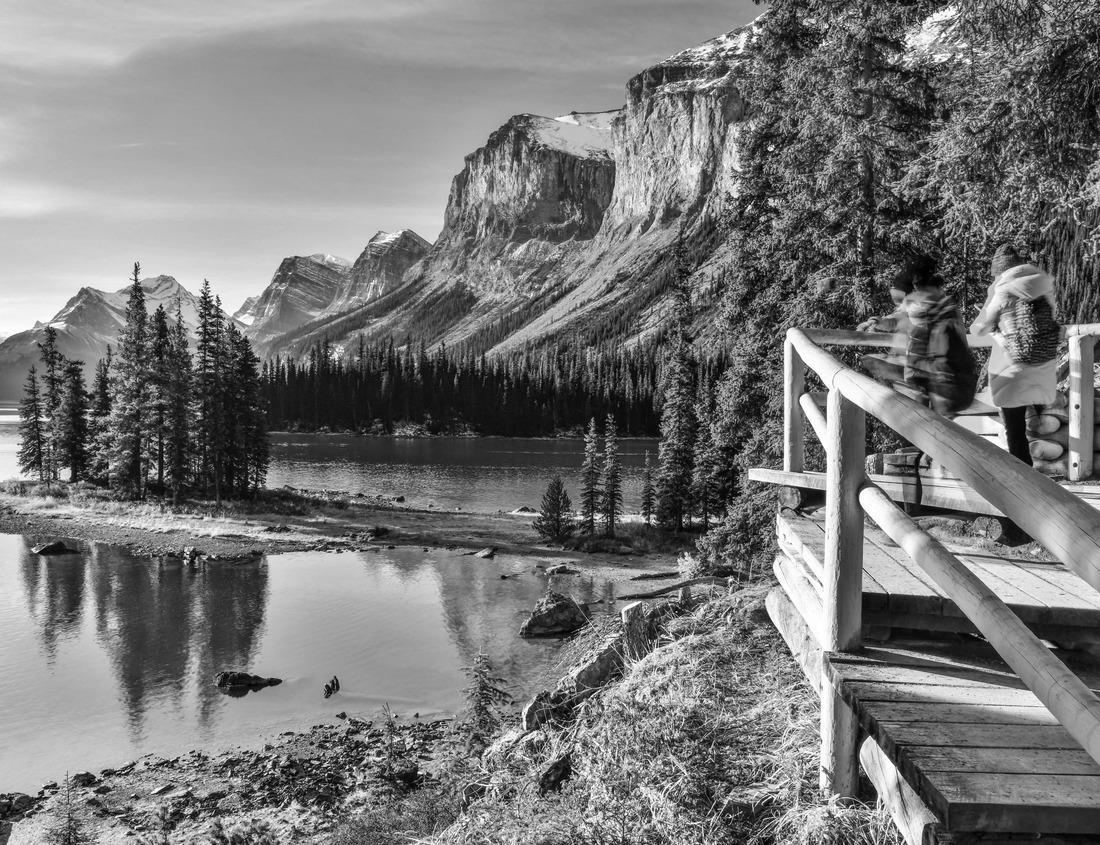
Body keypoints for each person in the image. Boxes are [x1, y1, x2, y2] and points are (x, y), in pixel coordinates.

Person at [970, 244, 1058, 467]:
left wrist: (983, 324)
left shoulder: (1002, 289)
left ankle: (1024, 478)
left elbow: (979, 328)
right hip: (1042, 362)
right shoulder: (1042, 285)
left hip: (1011, 366)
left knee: (1014, 428)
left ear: (1001, 270)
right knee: (1040, 416)